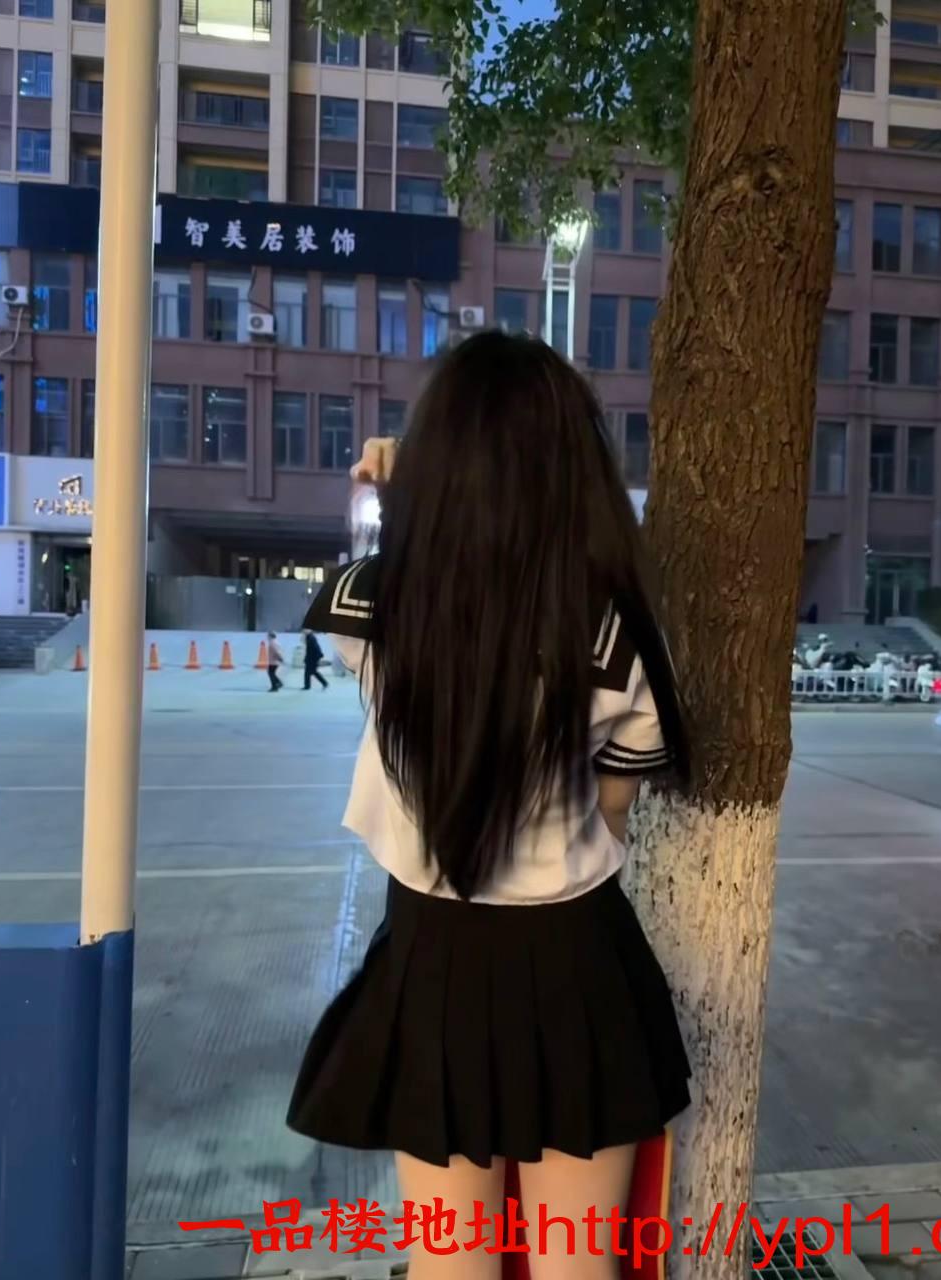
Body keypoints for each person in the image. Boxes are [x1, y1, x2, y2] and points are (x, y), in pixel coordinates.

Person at [286, 332, 691, 1279]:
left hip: (432, 960)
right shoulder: (617, 640)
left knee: (449, 1264)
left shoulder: (369, 610)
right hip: (577, 962)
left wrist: (403, 489)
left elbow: (408, 571)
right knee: (574, 1264)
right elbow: (613, 811)